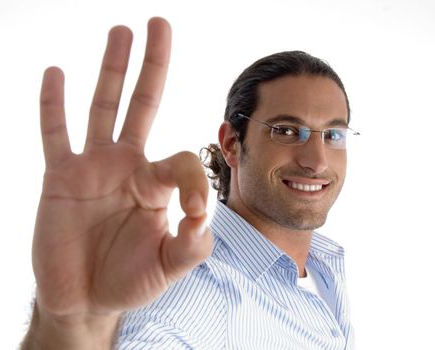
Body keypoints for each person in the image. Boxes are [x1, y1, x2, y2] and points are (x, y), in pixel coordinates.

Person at [21, 17, 358, 350]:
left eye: (333, 135)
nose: (317, 160)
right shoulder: (195, 295)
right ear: (231, 144)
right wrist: (74, 328)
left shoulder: (324, 268)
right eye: (285, 131)